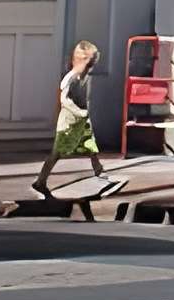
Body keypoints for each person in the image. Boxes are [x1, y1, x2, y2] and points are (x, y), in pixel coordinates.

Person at [31, 42, 122, 202]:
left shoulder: (84, 77)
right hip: (69, 121)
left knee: (90, 145)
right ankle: (41, 181)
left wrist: (84, 111)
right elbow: (64, 99)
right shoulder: (70, 78)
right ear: (80, 60)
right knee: (57, 152)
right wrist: (78, 111)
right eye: (89, 64)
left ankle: (99, 171)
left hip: (81, 120)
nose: (90, 69)